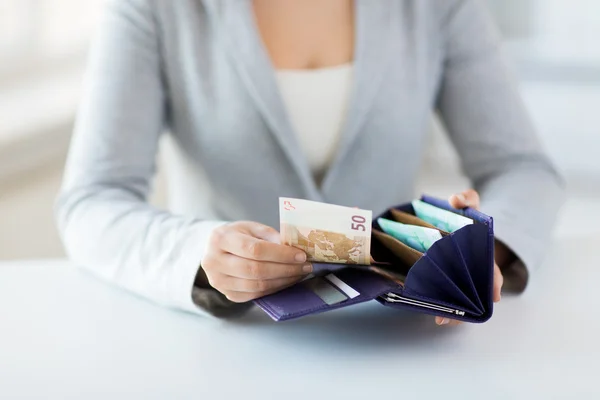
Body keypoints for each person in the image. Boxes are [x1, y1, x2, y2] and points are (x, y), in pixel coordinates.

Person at [55, 0, 565, 326]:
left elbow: (522, 167)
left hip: (394, 346)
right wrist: (201, 252)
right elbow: (93, 199)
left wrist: (479, 249)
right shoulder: (151, 9)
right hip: (224, 349)